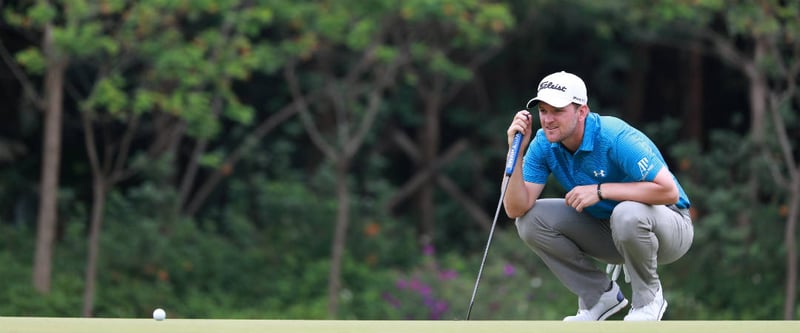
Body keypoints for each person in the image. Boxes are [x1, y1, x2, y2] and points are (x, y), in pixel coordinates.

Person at [503, 71, 694, 321]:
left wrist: (601, 191)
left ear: (581, 112)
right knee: (530, 220)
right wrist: (515, 151)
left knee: (627, 213)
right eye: (543, 111)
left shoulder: (614, 136)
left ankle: (648, 301)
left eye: (557, 111)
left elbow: (668, 191)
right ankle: (599, 297)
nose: (548, 119)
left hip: (670, 225)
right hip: (611, 230)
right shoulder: (543, 144)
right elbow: (515, 208)